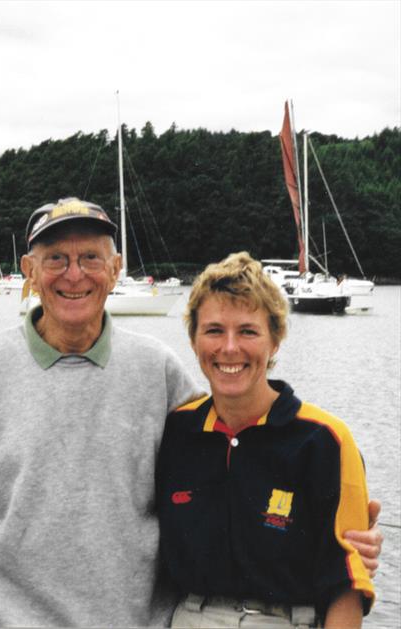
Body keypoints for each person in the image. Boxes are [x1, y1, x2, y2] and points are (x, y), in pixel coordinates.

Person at [0, 199, 382, 627]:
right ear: (28, 270)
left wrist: (339, 536)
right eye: (55, 259)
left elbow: (231, 456)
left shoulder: (157, 370)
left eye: (90, 257)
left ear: (115, 268)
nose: (74, 275)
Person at [157, 252, 373, 628]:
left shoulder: (325, 441)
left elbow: (347, 584)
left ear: (275, 341)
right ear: (193, 341)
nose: (229, 348)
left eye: (248, 331)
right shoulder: (175, 433)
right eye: (213, 330)